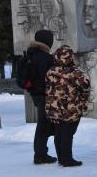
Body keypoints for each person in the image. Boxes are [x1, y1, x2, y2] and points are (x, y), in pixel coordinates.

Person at [45, 45, 90, 167]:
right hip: (70, 109)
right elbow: (86, 86)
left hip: (54, 108)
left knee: (58, 133)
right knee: (68, 133)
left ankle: (61, 157)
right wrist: (82, 100)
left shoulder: (50, 71)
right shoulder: (75, 73)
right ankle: (67, 159)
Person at [27, 29, 56, 164]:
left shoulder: (30, 54)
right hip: (45, 94)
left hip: (35, 94)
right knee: (43, 125)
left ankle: (41, 153)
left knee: (43, 124)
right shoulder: (45, 58)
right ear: (46, 41)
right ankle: (40, 155)